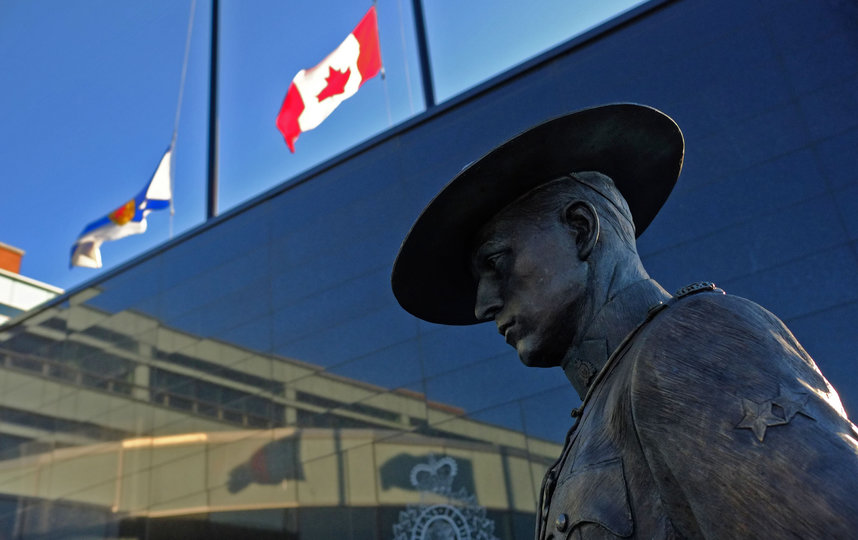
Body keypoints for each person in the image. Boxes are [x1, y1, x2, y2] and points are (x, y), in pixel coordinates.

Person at [391, 104, 858, 539]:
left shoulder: (685, 344)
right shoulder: (604, 408)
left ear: (580, 229)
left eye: (496, 263)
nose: (483, 305)